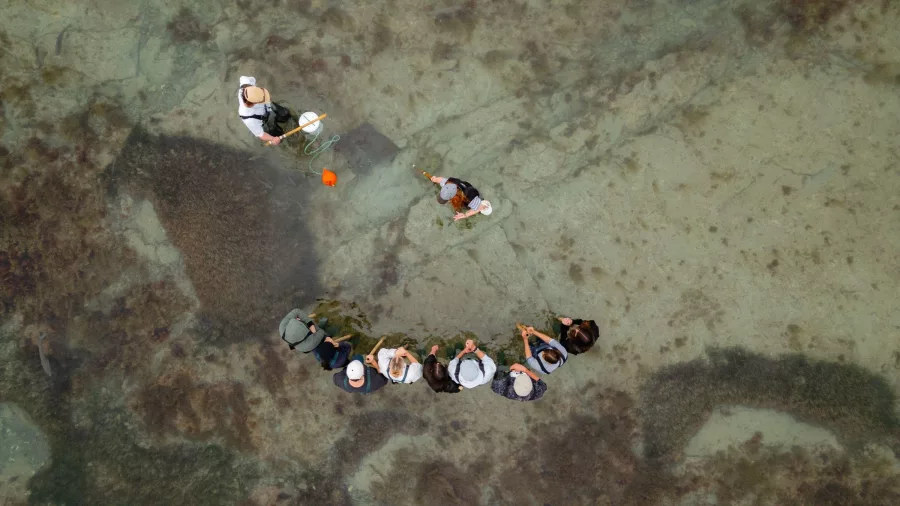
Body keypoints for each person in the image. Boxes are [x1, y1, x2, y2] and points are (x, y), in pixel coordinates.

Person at [237, 76, 294, 146]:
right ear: (254, 103)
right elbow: (260, 134)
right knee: (279, 135)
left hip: (268, 107)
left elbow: (242, 78)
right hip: (265, 121)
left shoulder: (246, 85)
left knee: (285, 114)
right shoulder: (249, 119)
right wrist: (272, 139)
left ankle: (288, 118)